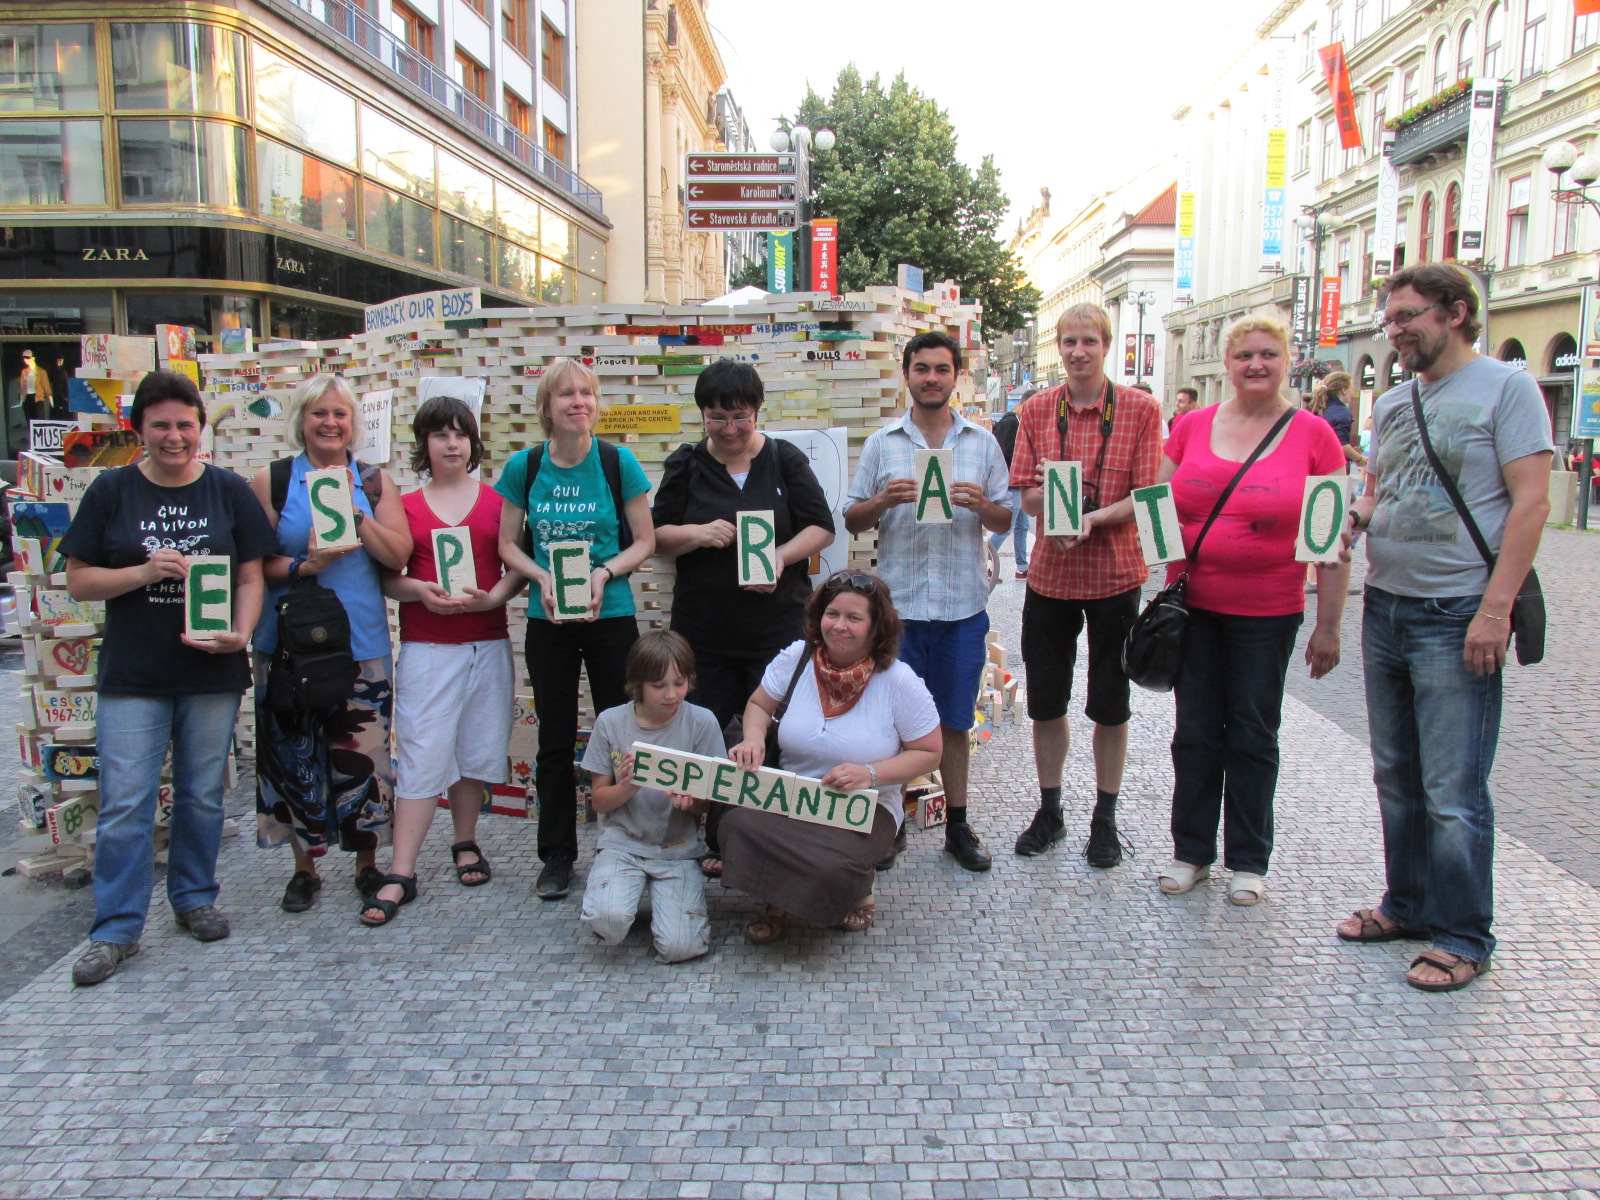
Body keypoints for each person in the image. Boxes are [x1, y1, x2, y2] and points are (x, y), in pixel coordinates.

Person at [1336, 264, 1552, 992]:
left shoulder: (1508, 388)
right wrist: (1351, 520)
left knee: (1453, 788)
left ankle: (1464, 934)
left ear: (1456, 313)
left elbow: (1532, 503)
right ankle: (1408, 905)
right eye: (1389, 320)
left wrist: (1495, 608)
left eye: (1407, 317)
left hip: (1458, 609)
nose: (1394, 331)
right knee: (1396, 774)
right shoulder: (1397, 401)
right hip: (1387, 604)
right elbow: (1381, 490)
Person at [60, 370, 276, 985]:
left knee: (202, 794)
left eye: (185, 424)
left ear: (200, 427)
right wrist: (143, 572)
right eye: (161, 425)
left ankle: (194, 897)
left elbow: (251, 575)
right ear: (140, 430)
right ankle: (115, 928)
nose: (174, 436)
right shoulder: (112, 489)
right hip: (133, 673)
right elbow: (78, 580)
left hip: (211, 670)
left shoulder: (227, 490)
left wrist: (242, 632)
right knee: (125, 801)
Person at [1154, 316, 1351, 906]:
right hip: (1195, 607)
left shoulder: (1315, 435)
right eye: (1244, 356)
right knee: (1194, 733)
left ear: (1286, 361)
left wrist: (1330, 626)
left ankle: (1248, 859)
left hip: (1268, 612)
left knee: (1253, 733)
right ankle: (1191, 852)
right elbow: (1157, 505)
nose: (1256, 365)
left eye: (1268, 354)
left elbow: (1332, 542)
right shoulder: (1191, 427)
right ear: (1227, 363)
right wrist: (1165, 571)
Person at [650, 359, 835, 878]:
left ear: (756, 411)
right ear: (702, 415)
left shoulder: (783, 458)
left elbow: (821, 527)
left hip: (776, 629)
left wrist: (780, 556)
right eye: (717, 417)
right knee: (705, 731)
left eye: (739, 417)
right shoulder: (686, 463)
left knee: (777, 733)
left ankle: (772, 838)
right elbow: (654, 535)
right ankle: (711, 833)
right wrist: (697, 534)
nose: (729, 429)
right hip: (704, 631)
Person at [843, 330, 1013, 872]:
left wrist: (982, 506)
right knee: (892, 723)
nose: (932, 378)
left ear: (956, 375)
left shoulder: (981, 443)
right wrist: (882, 500)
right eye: (922, 368)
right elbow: (851, 518)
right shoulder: (883, 443)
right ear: (907, 374)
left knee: (956, 721)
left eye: (942, 369)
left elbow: (1006, 517)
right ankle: (890, 824)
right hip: (900, 612)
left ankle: (957, 825)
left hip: (962, 608)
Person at [250, 374, 412, 913]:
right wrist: (305, 564)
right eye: (318, 413)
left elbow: (398, 555)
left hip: (359, 643)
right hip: (288, 643)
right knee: (294, 753)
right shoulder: (274, 480)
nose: (329, 423)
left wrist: (355, 514)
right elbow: (255, 563)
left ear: (353, 424)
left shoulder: (374, 482)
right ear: (301, 420)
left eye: (340, 414)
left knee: (362, 755)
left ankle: (367, 862)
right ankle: (305, 867)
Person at [1009, 303, 1163, 867]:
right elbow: (1026, 495)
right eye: (1069, 342)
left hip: (1115, 577)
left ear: (1106, 345)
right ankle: (1050, 811)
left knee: (1111, 706)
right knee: (1046, 702)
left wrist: (1093, 519)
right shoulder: (1036, 410)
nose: (1078, 352)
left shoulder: (1141, 409)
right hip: (1051, 577)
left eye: (1088, 341)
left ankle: (1105, 818)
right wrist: (1052, 508)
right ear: (1059, 347)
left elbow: (1148, 495)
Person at [361, 396, 524, 926]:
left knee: (476, 748)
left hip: (488, 642)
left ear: (473, 444)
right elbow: (388, 577)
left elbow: (517, 568)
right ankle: (401, 869)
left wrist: (494, 597)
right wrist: (420, 592)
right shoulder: (405, 506)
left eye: (461, 434)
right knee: (422, 751)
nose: (452, 444)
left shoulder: (499, 502)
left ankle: (465, 841)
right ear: (423, 445)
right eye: (440, 435)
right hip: (428, 647)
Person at [497, 358, 655, 902]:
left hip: (610, 616)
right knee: (554, 739)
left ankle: (624, 843)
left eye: (585, 393)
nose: (577, 402)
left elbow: (644, 540)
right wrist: (541, 575)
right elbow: (507, 544)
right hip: (549, 621)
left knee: (622, 735)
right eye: (565, 394)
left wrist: (603, 572)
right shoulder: (525, 465)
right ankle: (558, 855)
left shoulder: (617, 461)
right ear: (547, 406)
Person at [723, 572, 942, 941]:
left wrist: (869, 773)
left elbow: (930, 752)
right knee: (737, 825)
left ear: (876, 627)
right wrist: (754, 739)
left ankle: (856, 886)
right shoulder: (797, 658)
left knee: (830, 864)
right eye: (832, 614)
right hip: (793, 794)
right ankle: (777, 897)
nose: (839, 626)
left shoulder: (899, 681)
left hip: (864, 803)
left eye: (854, 618)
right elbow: (759, 705)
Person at [580, 632, 726, 962]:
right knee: (608, 920)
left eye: (680, 683)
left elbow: (709, 802)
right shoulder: (611, 722)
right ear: (639, 684)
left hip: (677, 848)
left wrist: (693, 802)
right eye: (659, 685)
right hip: (622, 844)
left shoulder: (701, 721)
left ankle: (662, 906)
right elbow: (598, 801)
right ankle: (615, 900)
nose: (671, 694)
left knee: (681, 947)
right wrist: (628, 785)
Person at [988, 392, 1036, 580]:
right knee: (1007, 527)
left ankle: (1022, 567)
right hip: (1012, 484)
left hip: (1020, 484)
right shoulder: (1011, 422)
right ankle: (985, 563)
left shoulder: (1017, 421)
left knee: (1022, 526)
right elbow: (1006, 453)